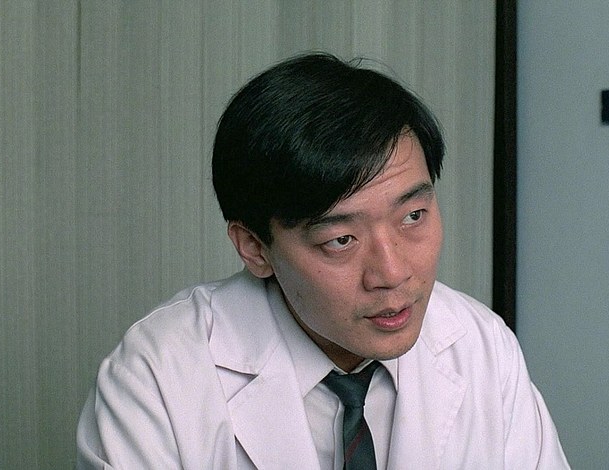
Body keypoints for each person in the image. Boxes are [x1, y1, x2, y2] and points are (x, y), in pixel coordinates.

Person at [77, 52, 569, 469]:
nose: (393, 273)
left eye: (413, 216)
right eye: (341, 240)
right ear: (254, 247)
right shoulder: (159, 376)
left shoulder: (482, 347)